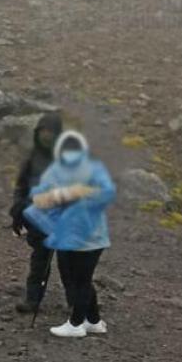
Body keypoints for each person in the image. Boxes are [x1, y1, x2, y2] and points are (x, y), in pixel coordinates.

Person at [24, 130, 117, 338]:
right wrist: (65, 194)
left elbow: (38, 198)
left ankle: (75, 324)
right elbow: (39, 198)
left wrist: (70, 194)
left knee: (78, 280)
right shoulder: (89, 169)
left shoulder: (67, 170)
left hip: (81, 237)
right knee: (82, 278)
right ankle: (93, 321)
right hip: (88, 237)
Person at [9, 113, 64, 313]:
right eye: (42, 131)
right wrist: (18, 210)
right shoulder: (31, 159)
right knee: (39, 264)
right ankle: (33, 301)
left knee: (71, 269)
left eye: (50, 132)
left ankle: (78, 306)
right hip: (39, 222)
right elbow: (21, 188)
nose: (46, 136)